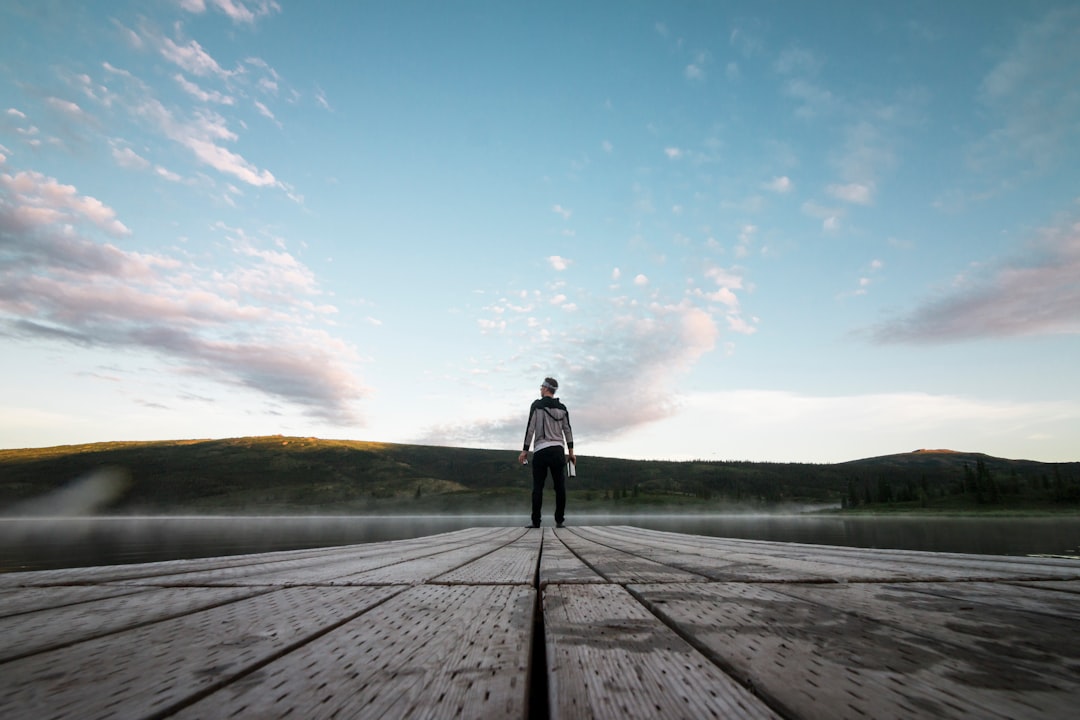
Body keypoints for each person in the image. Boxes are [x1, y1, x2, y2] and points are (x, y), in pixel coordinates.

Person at [518, 377, 575, 528]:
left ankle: (536, 521)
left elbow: (530, 428)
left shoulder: (537, 405)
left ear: (546, 388)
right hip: (557, 450)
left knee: (538, 487)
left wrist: (524, 450)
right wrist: (571, 452)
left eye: (541, 387)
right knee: (560, 487)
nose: (540, 389)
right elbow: (567, 430)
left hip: (541, 450)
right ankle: (559, 521)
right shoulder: (562, 408)